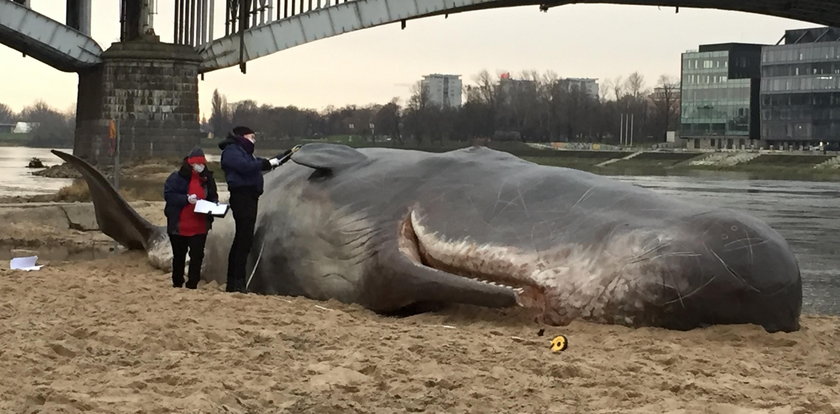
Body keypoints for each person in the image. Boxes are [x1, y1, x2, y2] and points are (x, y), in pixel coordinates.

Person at [218, 126, 287, 293]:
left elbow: (256, 163)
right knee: (243, 240)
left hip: (250, 197)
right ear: (242, 136)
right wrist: (265, 163)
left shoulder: (245, 152)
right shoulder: (232, 151)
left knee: (243, 240)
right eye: (251, 137)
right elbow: (245, 166)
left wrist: (282, 157)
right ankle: (236, 283)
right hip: (242, 197)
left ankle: (235, 282)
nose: (253, 140)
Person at [163, 147, 218, 289]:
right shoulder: (176, 177)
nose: (201, 166)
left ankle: (192, 283)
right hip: (179, 225)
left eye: (203, 164)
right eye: (198, 163)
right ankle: (177, 282)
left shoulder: (207, 179)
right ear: (191, 164)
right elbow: (169, 196)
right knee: (179, 256)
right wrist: (186, 199)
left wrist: (214, 206)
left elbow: (213, 195)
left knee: (197, 256)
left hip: (200, 225)